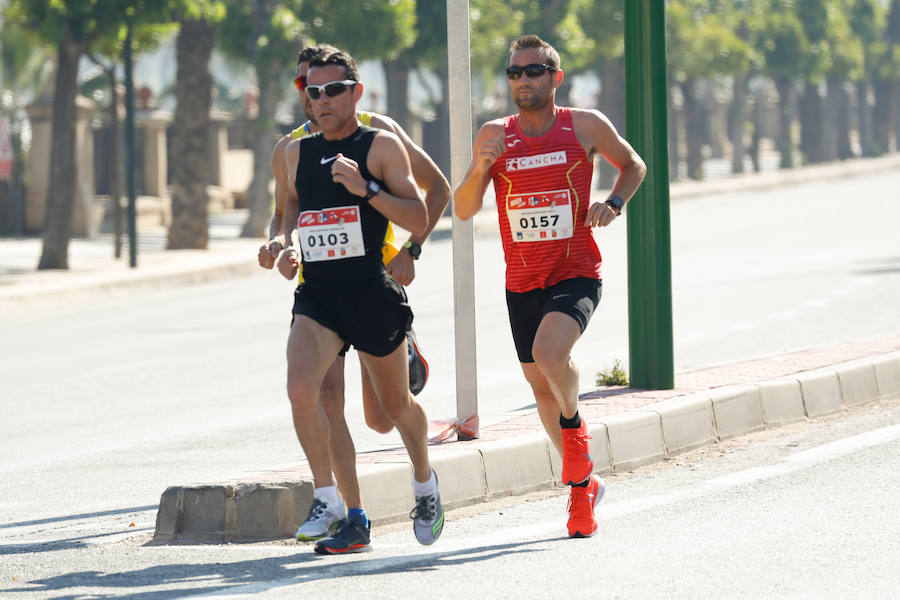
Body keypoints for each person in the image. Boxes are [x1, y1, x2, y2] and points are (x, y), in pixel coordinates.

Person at [453, 34, 646, 538]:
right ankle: (583, 491)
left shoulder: (584, 125)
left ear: (555, 77)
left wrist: (614, 203)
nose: (522, 80)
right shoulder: (494, 134)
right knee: (540, 386)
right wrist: (481, 166)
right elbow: (465, 207)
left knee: (549, 355)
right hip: (521, 281)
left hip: (576, 270)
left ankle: (575, 431)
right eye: (514, 72)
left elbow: (634, 165)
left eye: (533, 70)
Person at [259, 45, 449, 551]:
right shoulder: (292, 153)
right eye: (312, 91)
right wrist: (283, 246)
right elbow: (290, 212)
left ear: (355, 92)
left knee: (390, 411)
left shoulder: (381, 144)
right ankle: (331, 500)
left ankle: (425, 482)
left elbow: (418, 210)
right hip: (318, 295)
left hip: (370, 291)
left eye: (333, 90)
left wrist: (366, 190)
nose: (321, 100)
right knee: (303, 387)